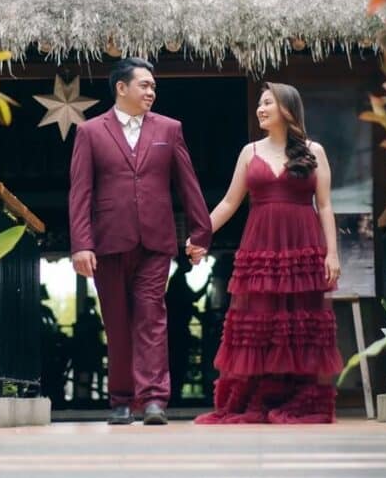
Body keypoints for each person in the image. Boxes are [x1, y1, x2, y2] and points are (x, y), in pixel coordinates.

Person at [68, 58, 212, 425]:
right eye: (144, 85)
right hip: (108, 241)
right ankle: (121, 399)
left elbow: (188, 184)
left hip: (156, 240)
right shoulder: (89, 131)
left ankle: (153, 400)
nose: (151, 92)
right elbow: (80, 192)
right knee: (116, 322)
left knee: (151, 317)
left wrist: (201, 232)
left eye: (153, 86)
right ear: (121, 88)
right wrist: (81, 244)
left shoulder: (170, 128)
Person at [192, 82, 342, 424]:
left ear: (287, 109)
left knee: (300, 322)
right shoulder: (249, 152)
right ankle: (259, 397)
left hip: (303, 246)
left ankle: (299, 398)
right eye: (260, 103)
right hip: (260, 247)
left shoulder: (314, 151)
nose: (260, 109)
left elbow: (325, 205)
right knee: (260, 320)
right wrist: (201, 235)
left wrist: (332, 254)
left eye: (268, 103)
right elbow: (229, 202)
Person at [166, 253, 208, 403]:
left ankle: (175, 393)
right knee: (178, 361)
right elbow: (192, 298)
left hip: (176, 329)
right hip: (177, 329)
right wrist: (208, 282)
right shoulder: (178, 280)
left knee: (177, 361)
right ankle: (175, 393)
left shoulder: (178, 279)